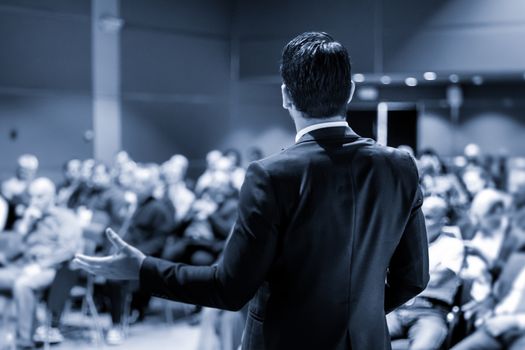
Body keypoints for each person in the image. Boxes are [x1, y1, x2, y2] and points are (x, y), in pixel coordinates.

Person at [74, 31, 429, 349]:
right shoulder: (400, 166)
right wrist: (357, 314)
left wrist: (143, 269)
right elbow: (414, 278)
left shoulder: (271, 174)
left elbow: (230, 288)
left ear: (285, 96)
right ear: (350, 91)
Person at [0, 177, 82, 349]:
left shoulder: (65, 217)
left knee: (23, 285)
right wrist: (25, 226)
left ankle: (24, 341)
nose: (34, 202)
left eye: (39, 197)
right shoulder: (29, 219)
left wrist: (40, 266)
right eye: (31, 197)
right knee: (14, 280)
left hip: (53, 269)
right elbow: (11, 253)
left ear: (51, 197)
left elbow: (68, 249)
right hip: (23, 266)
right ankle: (24, 330)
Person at [387, 196, 464, 349]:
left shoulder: (453, 245)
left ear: (444, 221)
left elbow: (435, 280)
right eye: (419, 214)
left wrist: (400, 276)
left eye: (428, 217)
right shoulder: (404, 241)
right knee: (361, 340)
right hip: (396, 308)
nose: (421, 220)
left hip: (431, 312)